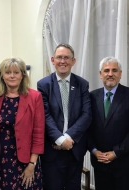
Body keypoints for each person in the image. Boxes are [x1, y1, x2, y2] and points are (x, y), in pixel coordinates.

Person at [37, 43, 92, 190]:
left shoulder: (82, 84)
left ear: (73, 61)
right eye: (59, 57)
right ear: (53, 60)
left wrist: (68, 137)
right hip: (52, 150)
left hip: (74, 149)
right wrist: (60, 139)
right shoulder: (43, 85)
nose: (63, 61)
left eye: (67, 58)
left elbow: (87, 115)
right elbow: (45, 115)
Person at [88, 56, 129, 190]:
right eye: (106, 70)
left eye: (114, 70)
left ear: (120, 74)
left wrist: (116, 153)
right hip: (99, 162)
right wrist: (94, 150)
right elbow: (87, 128)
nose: (110, 74)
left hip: (124, 163)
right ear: (100, 74)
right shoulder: (91, 96)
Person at [0, 58, 45, 190]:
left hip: (25, 161)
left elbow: (38, 132)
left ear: (23, 75)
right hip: (0, 161)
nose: (12, 76)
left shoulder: (34, 97)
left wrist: (32, 164)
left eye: (16, 72)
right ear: (2, 75)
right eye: (8, 72)